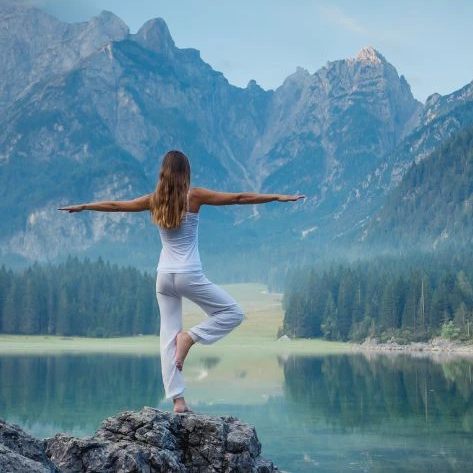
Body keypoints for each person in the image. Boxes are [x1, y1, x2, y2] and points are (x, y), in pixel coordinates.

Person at [59, 149, 304, 413]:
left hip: (164, 277)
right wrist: (276, 197)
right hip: (189, 274)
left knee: (167, 336)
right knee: (232, 312)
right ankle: (189, 338)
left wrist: (85, 206)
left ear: (162, 173)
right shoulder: (194, 196)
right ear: (185, 172)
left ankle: (178, 401)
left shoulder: (154, 200)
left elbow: (117, 205)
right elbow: (238, 198)